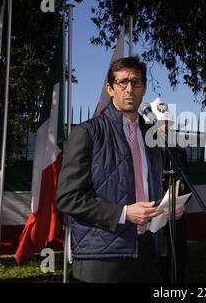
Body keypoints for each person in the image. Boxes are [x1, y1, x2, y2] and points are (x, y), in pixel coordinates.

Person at [57, 56, 165, 283]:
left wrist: (165, 208)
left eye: (136, 82)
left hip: (146, 250)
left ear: (144, 88)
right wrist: (124, 214)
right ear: (110, 89)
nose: (129, 89)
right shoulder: (88, 132)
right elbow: (68, 198)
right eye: (122, 82)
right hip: (101, 256)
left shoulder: (152, 136)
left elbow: (148, 187)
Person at [143, 97, 189, 283]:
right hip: (147, 220)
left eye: (168, 123)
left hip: (174, 222)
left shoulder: (178, 151)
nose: (165, 127)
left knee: (173, 270)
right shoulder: (142, 149)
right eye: (161, 123)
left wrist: (181, 204)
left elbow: (187, 184)